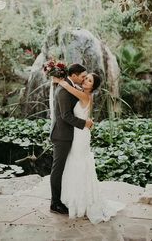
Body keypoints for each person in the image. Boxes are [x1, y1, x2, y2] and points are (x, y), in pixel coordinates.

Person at [53, 72, 125, 224]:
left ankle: (79, 201)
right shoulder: (83, 93)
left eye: (89, 80)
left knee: (78, 164)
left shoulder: (84, 95)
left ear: (93, 86)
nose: (85, 80)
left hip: (80, 136)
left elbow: (67, 85)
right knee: (74, 164)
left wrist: (59, 79)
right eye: (85, 78)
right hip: (79, 133)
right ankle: (73, 198)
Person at [50, 63, 94, 215]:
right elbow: (65, 116)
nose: (83, 80)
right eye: (82, 77)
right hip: (62, 135)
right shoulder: (63, 90)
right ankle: (55, 203)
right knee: (58, 169)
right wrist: (85, 123)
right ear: (74, 75)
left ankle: (68, 198)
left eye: (86, 78)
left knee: (70, 168)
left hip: (73, 135)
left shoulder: (71, 87)